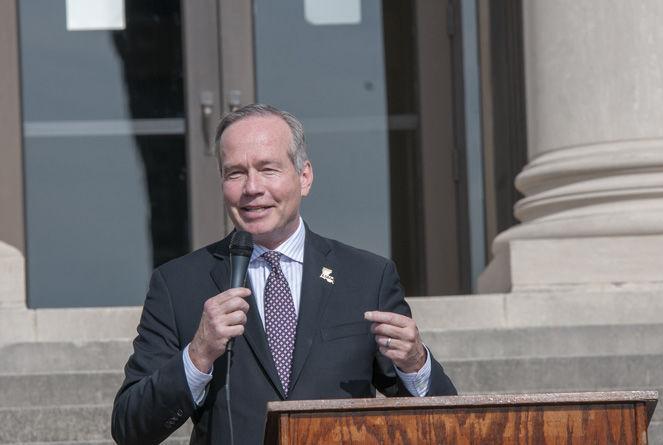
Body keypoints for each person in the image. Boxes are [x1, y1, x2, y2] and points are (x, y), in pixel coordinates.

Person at [111, 104, 457, 445]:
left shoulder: (367, 276)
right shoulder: (179, 285)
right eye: (235, 173)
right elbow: (131, 429)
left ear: (304, 177)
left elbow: (447, 422)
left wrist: (415, 363)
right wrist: (198, 354)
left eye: (268, 169)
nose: (252, 188)